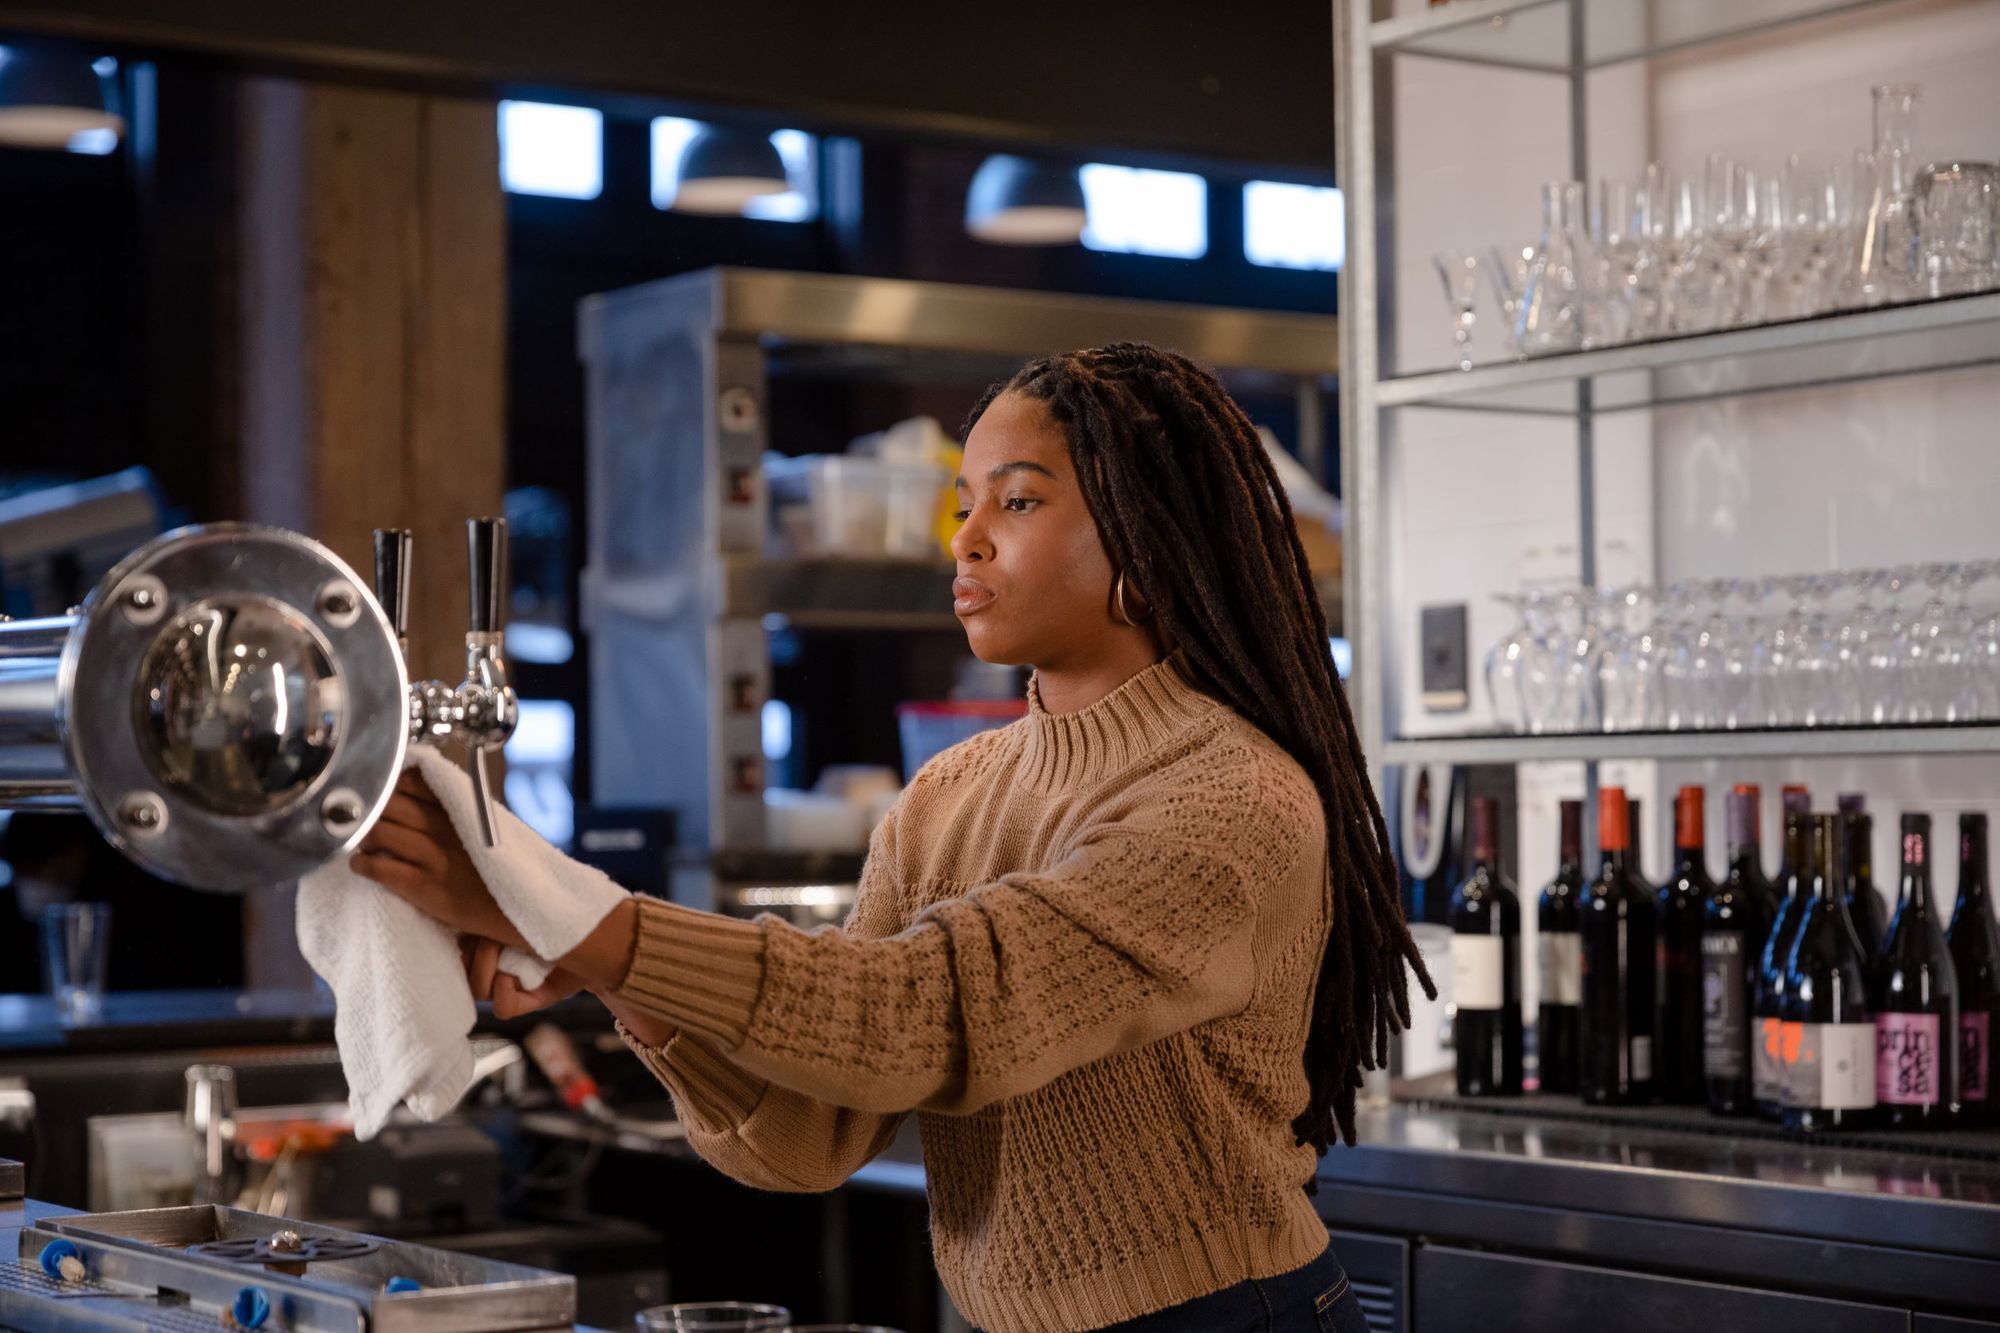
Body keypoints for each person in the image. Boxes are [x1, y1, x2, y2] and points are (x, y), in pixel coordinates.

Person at [354, 342, 1433, 1333]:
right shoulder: (948, 793)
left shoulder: (1231, 799)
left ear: (1146, 539)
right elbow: (810, 1136)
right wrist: (626, 981)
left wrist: (586, 920)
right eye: (963, 503)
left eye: (1016, 500)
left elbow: (935, 1008)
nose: (963, 538)